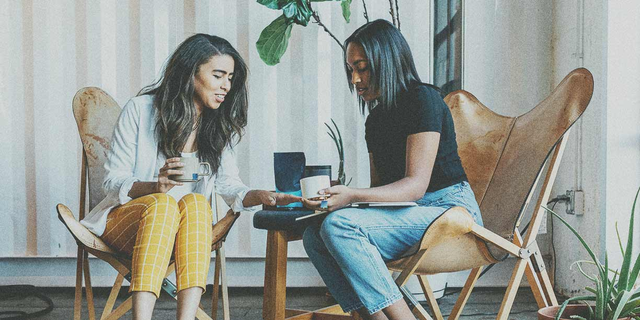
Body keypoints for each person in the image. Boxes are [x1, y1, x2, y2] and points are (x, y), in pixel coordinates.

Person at [80, 34, 300, 320]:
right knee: (163, 204)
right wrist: (154, 186)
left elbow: (229, 185)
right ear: (190, 72)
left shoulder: (217, 124)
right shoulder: (140, 110)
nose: (226, 86)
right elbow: (111, 182)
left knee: (197, 204)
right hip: (127, 224)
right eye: (218, 75)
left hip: (186, 230)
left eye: (230, 77)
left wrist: (258, 195)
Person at [301, 20, 483, 320]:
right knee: (315, 234)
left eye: (362, 68)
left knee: (340, 226)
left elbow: (415, 186)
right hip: (411, 213)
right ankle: (370, 317)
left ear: (386, 61)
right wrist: (340, 196)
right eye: (351, 70)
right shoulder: (375, 121)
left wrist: (351, 196)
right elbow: (383, 192)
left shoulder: (423, 99)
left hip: (452, 213)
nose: (356, 79)